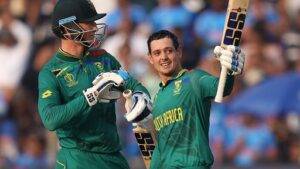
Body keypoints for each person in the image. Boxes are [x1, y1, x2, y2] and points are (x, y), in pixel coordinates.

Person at [37, 0, 151, 169]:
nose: (95, 28)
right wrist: (91, 95)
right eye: (88, 23)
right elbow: (50, 119)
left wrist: (140, 96)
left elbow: (131, 82)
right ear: (68, 29)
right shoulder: (50, 72)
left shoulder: (104, 58)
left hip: (112, 156)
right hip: (77, 158)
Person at [142, 30, 244, 169]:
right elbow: (161, 149)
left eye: (169, 51)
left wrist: (229, 71)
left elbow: (223, 88)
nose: (163, 57)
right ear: (150, 58)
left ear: (179, 52)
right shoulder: (158, 98)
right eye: (157, 53)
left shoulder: (194, 79)